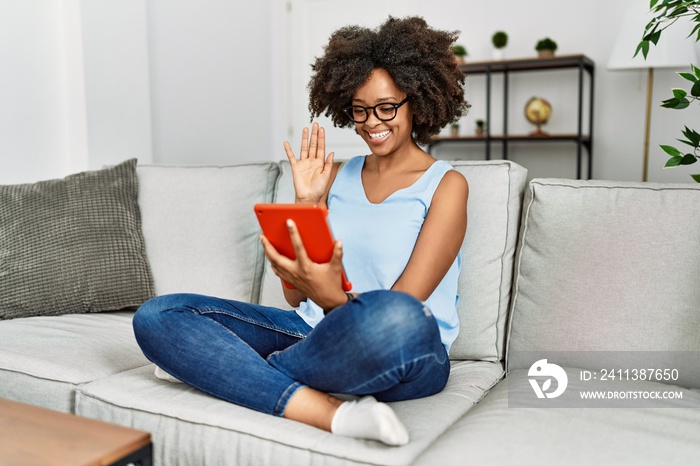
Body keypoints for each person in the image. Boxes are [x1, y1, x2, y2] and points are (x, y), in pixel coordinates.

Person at [133, 16, 469, 447]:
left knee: (396, 317)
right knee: (160, 316)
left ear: (417, 101)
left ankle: (217, 368)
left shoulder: (446, 184)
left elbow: (403, 302)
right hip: (311, 334)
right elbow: (296, 298)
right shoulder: (332, 177)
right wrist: (307, 202)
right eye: (360, 110)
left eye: (387, 107)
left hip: (407, 349)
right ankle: (328, 413)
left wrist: (335, 300)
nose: (372, 122)